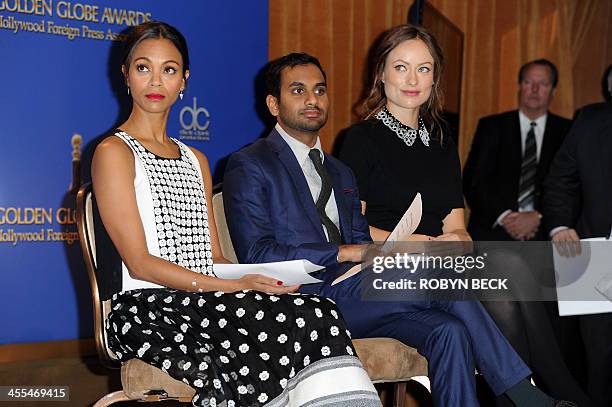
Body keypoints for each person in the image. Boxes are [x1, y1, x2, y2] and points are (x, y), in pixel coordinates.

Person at [223, 40, 574, 406]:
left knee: (449, 331)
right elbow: (258, 253)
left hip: (358, 293)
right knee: (447, 274)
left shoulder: (339, 169)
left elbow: (361, 235)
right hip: (304, 300)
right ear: (273, 104)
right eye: (298, 90)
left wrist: (390, 250)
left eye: (319, 90)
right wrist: (348, 252)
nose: (312, 98)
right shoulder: (251, 163)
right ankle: (525, 395)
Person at [91, 21, 381, 407]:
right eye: (143, 67)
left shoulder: (196, 159)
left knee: (317, 308)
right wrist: (233, 287)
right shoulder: (114, 152)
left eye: (169, 69)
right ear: (126, 75)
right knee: (301, 321)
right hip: (150, 308)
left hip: (207, 297)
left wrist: (253, 279)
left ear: (184, 80)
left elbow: (213, 258)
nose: (156, 80)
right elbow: (141, 264)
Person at [337, 27, 589, 406]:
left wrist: (455, 242)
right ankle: (539, 396)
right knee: (509, 272)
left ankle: (541, 395)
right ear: (381, 73)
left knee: (510, 277)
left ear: (435, 78)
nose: (412, 79)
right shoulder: (359, 139)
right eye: (401, 67)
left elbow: (459, 229)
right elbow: (351, 230)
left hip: (438, 268)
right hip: (381, 271)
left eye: (424, 69)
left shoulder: (442, 142)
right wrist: (411, 244)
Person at [543, 101, 612, 407]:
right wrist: (559, 227)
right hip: (593, 254)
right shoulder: (591, 120)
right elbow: (560, 179)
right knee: (598, 361)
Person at [463, 59, 571, 241]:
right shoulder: (491, 127)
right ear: (520, 86)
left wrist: (538, 216)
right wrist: (505, 217)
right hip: (493, 233)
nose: (535, 89)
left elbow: (572, 186)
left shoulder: (569, 132)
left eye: (543, 83)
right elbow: (473, 181)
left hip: (546, 235)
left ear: (554, 90)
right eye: (529, 82)